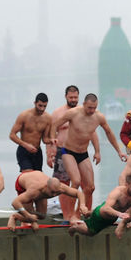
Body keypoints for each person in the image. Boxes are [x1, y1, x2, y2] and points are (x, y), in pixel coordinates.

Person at [51, 93, 128, 211]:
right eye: (89, 107)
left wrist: (119, 151)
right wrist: (52, 140)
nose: (92, 110)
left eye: (94, 108)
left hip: (83, 153)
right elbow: (55, 124)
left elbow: (108, 133)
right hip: (68, 152)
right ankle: (70, 215)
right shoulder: (73, 113)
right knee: (75, 182)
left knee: (90, 188)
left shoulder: (98, 117)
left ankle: (80, 213)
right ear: (84, 104)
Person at [48, 85, 97, 221]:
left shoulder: (85, 114)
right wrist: (50, 153)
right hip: (62, 150)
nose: (73, 100)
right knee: (64, 185)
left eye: (76, 97)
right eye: (71, 97)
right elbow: (51, 133)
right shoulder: (58, 113)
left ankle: (83, 213)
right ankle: (67, 215)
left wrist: (97, 151)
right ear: (66, 97)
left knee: (86, 185)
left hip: (81, 151)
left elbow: (92, 132)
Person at [69, 174, 131, 238]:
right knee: (90, 233)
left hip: (112, 217)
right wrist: (119, 214)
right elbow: (105, 208)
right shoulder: (118, 192)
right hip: (101, 216)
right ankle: (75, 228)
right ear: (126, 185)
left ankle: (88, 213)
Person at [8, 170, 86, 231]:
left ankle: (32, 220)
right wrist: (28, 216)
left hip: (37, 176)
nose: (54, 195)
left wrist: (82, 205)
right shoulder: (34, 191)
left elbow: (78, 193)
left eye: (57, 192)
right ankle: (14, 216)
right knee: (28, 215)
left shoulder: (61, 188)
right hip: (23, 183)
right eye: (52, 192)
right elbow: (15, 203)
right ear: (46, 187)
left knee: (42, 216)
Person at [9, 93, 52, 173]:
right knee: (28, 176)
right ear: (35, 103)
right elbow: (12, 135)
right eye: (40, 105)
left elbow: (45, 139)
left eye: (45, 106)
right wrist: (25, 145)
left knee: (38, 179)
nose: (42, 109)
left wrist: (53, 140)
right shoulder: (24, 116)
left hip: (37, 152)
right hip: (24, 151)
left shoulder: (48, 118)